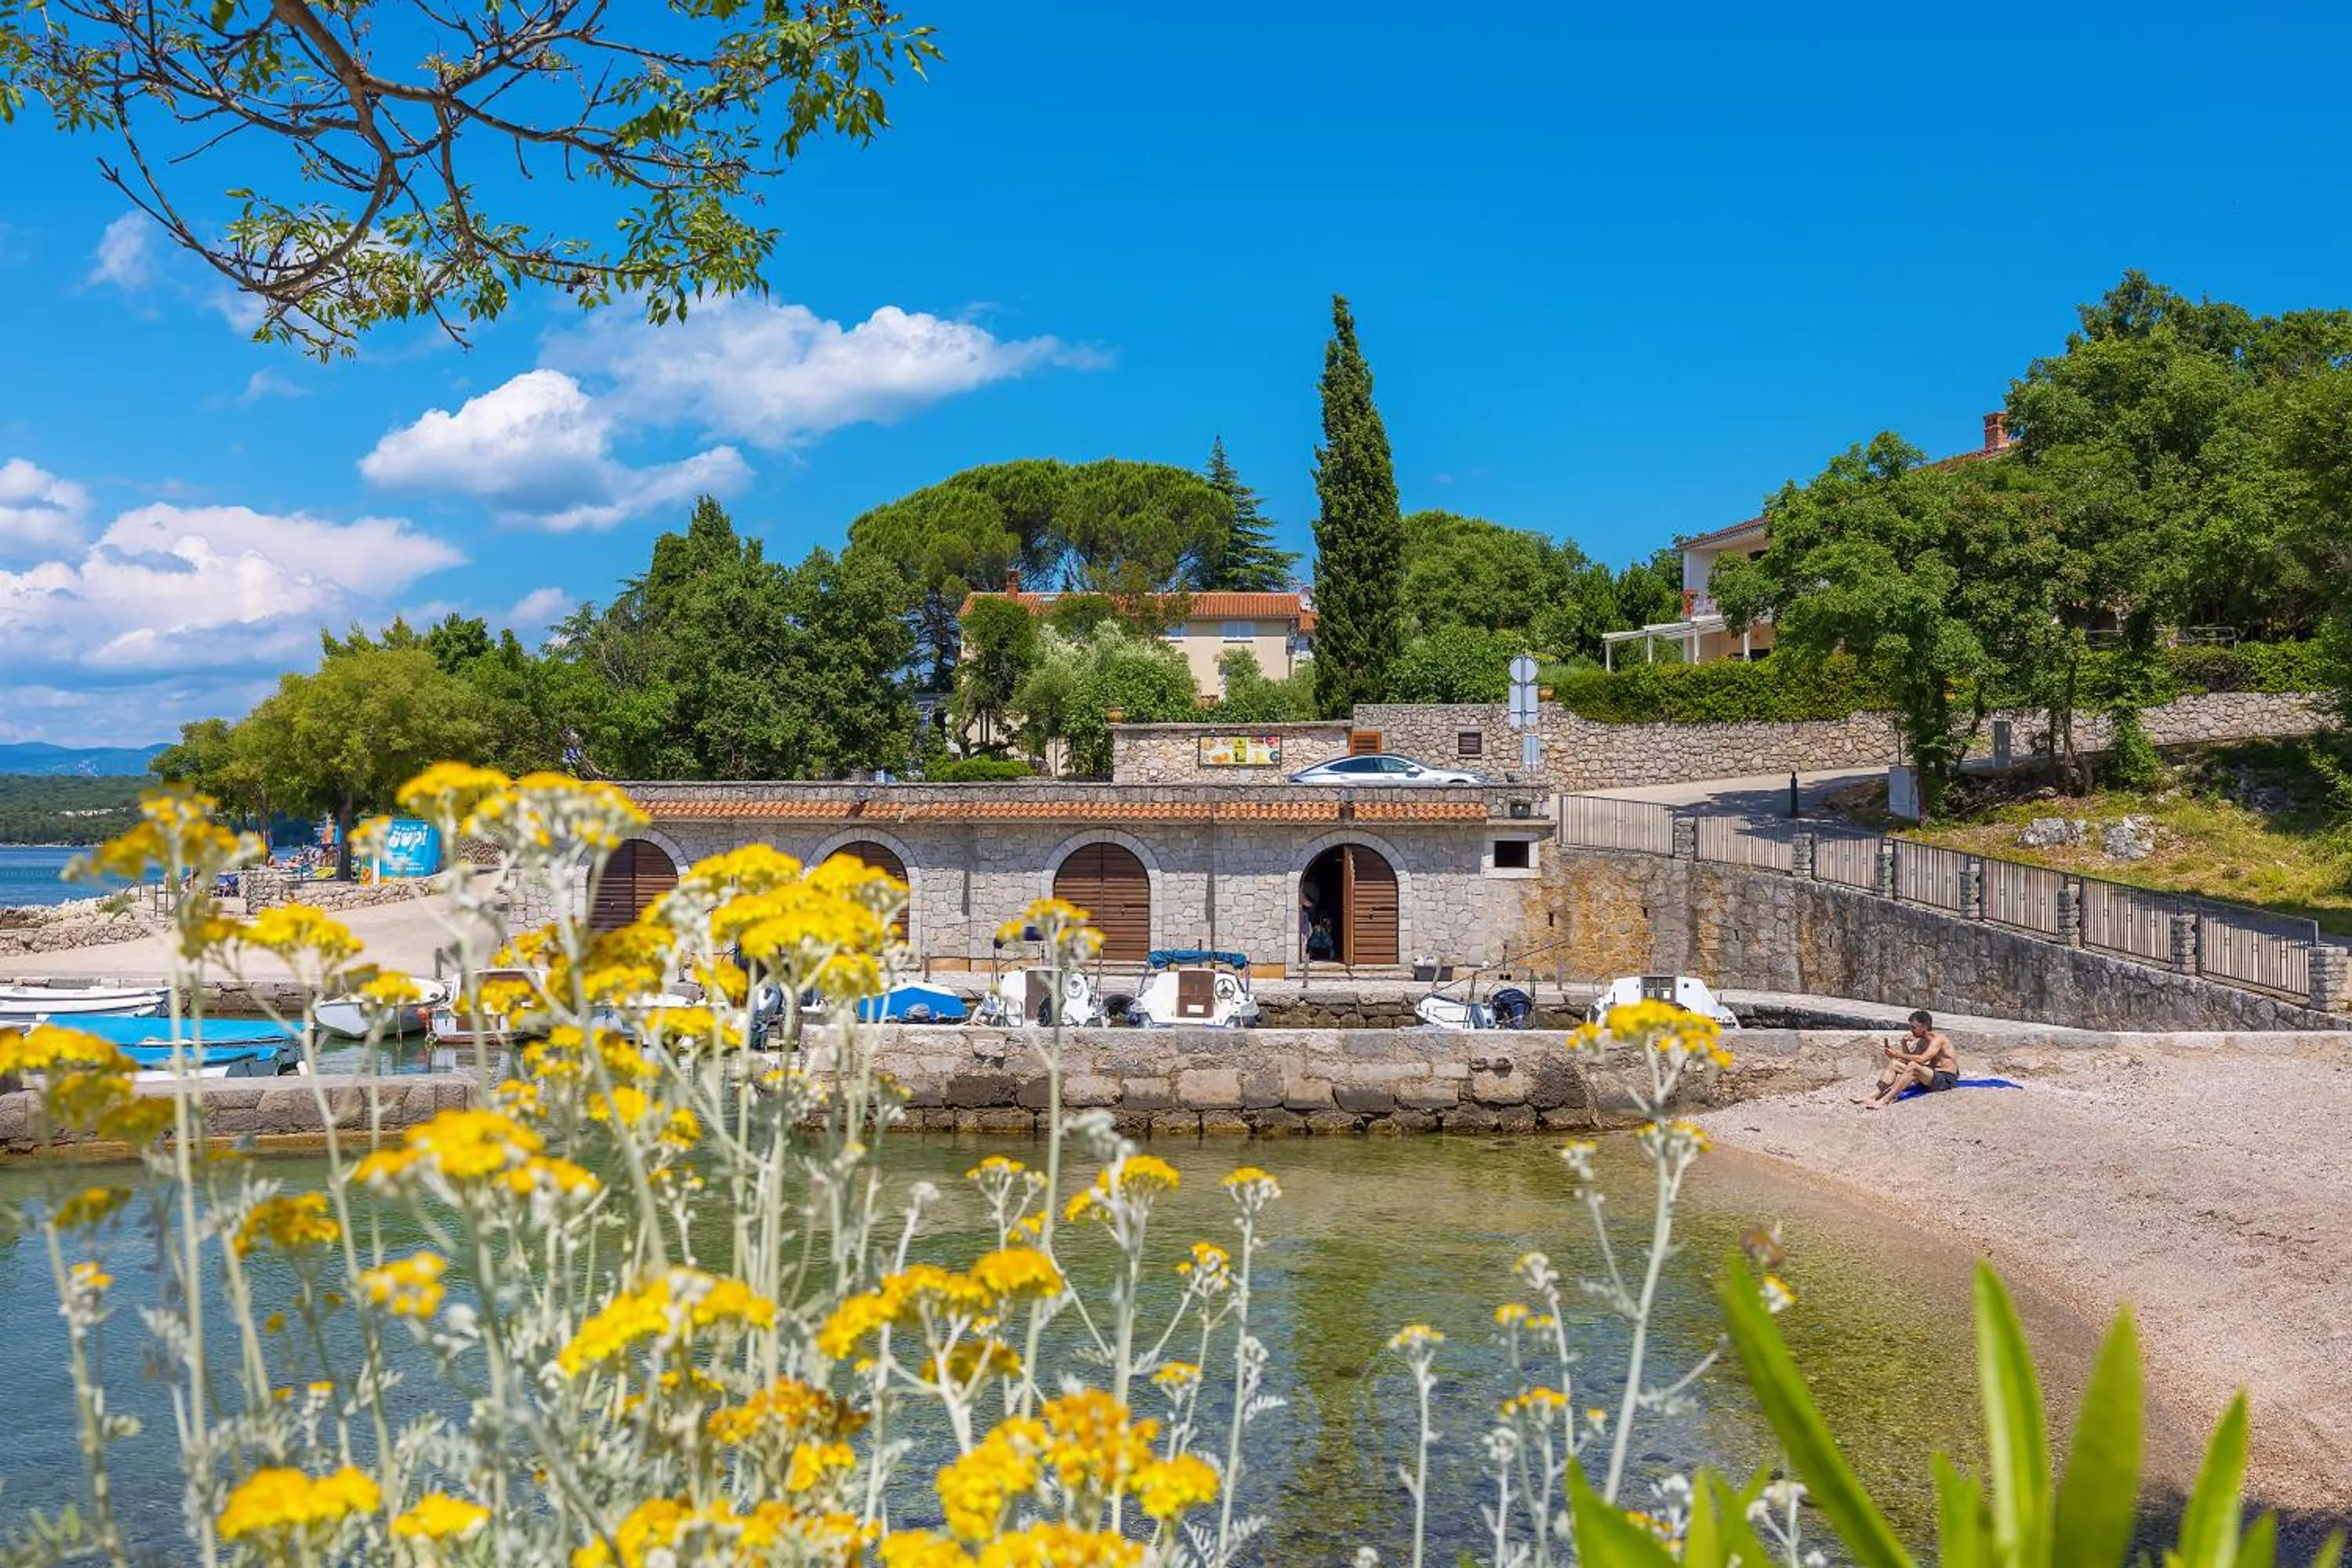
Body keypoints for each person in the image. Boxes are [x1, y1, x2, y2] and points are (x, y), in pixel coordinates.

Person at [1857, 1009, 1958, 1109]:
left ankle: (1884, 1101)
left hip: (1946, 1080)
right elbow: (1911, 1059)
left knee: (1913, 1067)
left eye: (1914, 1027)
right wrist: (1903, 1044)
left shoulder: (1938, 1040)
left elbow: (1923, 1059)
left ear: (1924, 1027)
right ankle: (1871, 1097)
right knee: (1895, 1064)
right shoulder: (1922, 1041)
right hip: (1931, 1078)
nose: (1911, 1030)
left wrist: (1898, 1054)